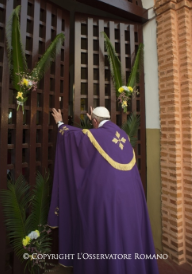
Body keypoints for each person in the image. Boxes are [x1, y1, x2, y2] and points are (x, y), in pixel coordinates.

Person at [48, 107, 159, 274]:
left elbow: (72, 137)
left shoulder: (94, 135)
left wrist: (60, 123)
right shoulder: (122, 135)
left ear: (94, 121)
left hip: (108, 201)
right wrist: (93, 119)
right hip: (131, 200)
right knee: (125, 237)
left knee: (108, 237)